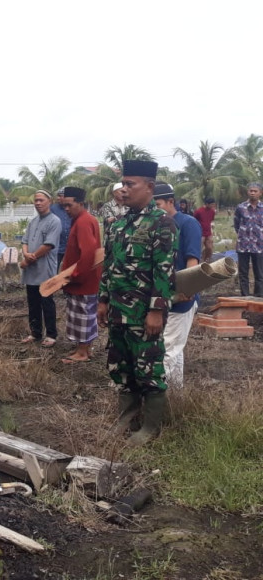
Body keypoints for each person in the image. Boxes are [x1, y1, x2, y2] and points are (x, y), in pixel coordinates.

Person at [97, 160, 176, 446]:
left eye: (131, 184)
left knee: (148, 369)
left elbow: (163, 270)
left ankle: (151, 427)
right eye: (123, 184)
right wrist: (103, 300)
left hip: (144, 314)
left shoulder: (162, 223)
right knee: (121, 367)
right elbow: (109, 266)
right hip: (118, 311)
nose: (124, 189)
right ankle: (127, 419)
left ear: (150, 187)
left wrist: (156, 310)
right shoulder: (118, 224)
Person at [154, 183, 201, 389]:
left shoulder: (187, 223)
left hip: (182, 297)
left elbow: (192, 260)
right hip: (162, 296)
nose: (154, 210)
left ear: (170, 202)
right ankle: (175, 393)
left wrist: (187, 290)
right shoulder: (157, 223)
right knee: (173, 347)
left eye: (158, 204)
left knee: (169, 348)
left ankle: (162, 399)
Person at [59, 186, 102, 363]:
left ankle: (82, 352)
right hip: (85, 279)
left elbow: (88, 253)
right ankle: (86, 349)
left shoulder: (84, 221)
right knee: (86, 315)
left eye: (69, 205)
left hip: (83, 281)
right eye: (64, 206)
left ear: (81, 203)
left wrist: (74, 276)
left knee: (82, 316)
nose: (66, 209)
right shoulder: (83, 219)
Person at [20, 190, 61, 347]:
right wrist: (25, 254)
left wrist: (30, 259)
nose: (38, 203)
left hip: (46, 270)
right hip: (32, 271)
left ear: (49, 201)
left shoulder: (54, 221)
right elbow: (24, 241)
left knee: (47, 302)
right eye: (36, 200)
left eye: (41, 200)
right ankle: (35, 333)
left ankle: (51, 334)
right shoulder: (33, 222)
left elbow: (48, 245)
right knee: (33, 302)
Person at [234, 183, 263, 297]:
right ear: (248, 192)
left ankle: (258, 296)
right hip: (243, 245)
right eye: (251, 190)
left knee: (259, 274)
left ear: (260, 193)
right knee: (243, 274)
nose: (253, 193)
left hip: (259, 246)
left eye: (255, 191)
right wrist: (243, 235)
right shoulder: (240, 207)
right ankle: (245, 297)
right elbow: (236, 224)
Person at [50, 187, 71, 269]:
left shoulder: (72, 208)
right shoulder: (53, 209)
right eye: (57, 196)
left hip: (70, 246)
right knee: (54, 268)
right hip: (57, 246)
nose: (58, 198)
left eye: (60, 196)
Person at [193, 197, 217, 262]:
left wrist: (212, 227)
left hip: (208, 232)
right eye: (211, 204)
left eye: (213, 204)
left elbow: (211, 220)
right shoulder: (199, 211)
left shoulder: (212, 212)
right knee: (199, 248)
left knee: (209, 248)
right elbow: (194, 220)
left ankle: (206, 259)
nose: (212, 206)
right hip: (200, 232)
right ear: (206, 204)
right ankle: (198, 260)